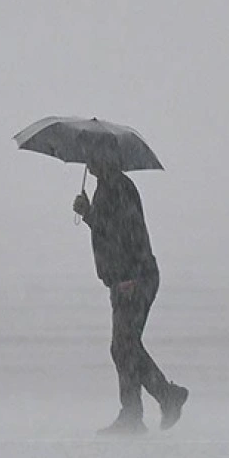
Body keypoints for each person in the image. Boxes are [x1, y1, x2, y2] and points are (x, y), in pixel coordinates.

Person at [73, 160, 188, 434]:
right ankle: (141, 410)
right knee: (124, 346)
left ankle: (151, 404)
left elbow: (128, 232)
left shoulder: (118, 186)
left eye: (92, 155)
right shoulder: (106, 185)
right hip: (124, 278)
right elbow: (108, 229)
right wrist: (89, 214)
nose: (88, 161)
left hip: (135, 278)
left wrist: (132, 276)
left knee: (124, 345)